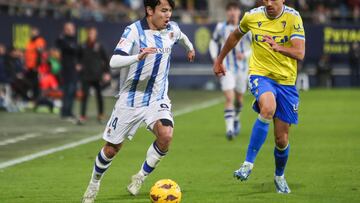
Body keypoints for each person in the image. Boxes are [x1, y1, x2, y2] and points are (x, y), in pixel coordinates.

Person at [82, 0, 195, 202]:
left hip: (157, 97)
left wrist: (190, 48)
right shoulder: (134, 31)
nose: (168, 15)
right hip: (131, 99)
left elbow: (182, 37)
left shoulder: (172, 29)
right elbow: (114, 61)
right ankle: (94, 183)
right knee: (111, 149)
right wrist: (137, 57)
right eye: (163, 10)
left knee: (166, 135)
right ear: (150, 11)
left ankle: (140, 177)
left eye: (170, 10)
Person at [213, 0, 305, 194]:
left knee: (281, 139)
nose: (269, 3)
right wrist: (219, 59)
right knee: (268, 107)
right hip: (260, 75)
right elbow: (234, 36)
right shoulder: (252, 16)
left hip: (287, 82)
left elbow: (300, 52)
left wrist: (279, 48)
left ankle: (279, 176)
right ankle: (248, 163)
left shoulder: (293, 17)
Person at [209, 1, 252, 140]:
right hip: (227, 68)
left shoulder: (246, 27)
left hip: (242, 69)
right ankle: (229, 130)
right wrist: (216, 59)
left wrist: (244, 55)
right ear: (227, 12)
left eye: (235, 9)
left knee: (239, 100)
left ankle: (236, 118)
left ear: (239, 12)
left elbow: (255, 47)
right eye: (230, 10)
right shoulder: (221, 27)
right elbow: (213, 42)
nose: (232, 12)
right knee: (229, 97)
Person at [77, 27, 110, 124]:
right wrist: (78, 64)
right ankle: (82, 116)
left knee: (99, 96)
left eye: (93, 33)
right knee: (84, 96)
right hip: (86, 75)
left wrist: (106, 72)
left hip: (97, 75)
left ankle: (101, 115)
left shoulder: (99, 45)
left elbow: (106, 59)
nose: (91, 35)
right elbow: (77, 57)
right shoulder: (83, 45)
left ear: (96, 34)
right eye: (90, 33)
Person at [56, 22, 79, 120]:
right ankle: (65, 112)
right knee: (67, 91)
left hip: (73, 69)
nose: (72, 30)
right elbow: (71, 48)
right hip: (66, 69)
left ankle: (69, 111)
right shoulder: (62, 39)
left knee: (72, 91)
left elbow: (76, 50)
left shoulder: (73, 39)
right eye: (69, 29)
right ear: (65, 30)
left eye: (72, 28)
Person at [24, 27, 46, 102]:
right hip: (29, 66)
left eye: (34, 32)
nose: (33, 34)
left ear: (38, 33)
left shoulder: (39, 41)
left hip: (35, 66)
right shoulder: (29, 42)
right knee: (29, 83)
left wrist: (37, 66)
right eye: (32, 32)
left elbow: (40, 54)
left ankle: (36, 99)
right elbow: (27, 54)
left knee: (36, 83)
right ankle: (30, 99)